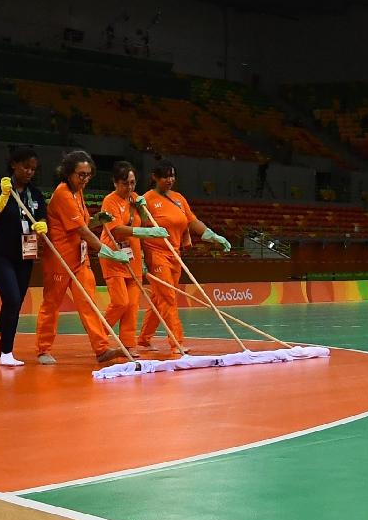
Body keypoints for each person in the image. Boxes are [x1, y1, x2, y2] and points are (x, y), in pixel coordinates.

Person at [35, 150, 127, 365]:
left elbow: (82, 226)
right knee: (52, 304)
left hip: (79, 258)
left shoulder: (78, 193)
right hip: (59, 258)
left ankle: (101, 348)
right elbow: (82, 231)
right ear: (68, 173)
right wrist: (108, 251)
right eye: (81, 174)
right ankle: (43, 349)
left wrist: (96, 220)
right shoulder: (63, 193)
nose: (85, 179)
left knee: (89, 304)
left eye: (88, 175)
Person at [137, 162, 230, 354]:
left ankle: (144, 339)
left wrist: (212, 235)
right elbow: (138, 230)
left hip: (175, 255)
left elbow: (192, 221)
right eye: (165, 176)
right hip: (156, 255)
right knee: (168, 298)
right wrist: (142, 259)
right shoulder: (146, 200)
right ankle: (176, 342)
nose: (170, 180)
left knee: (159, 298)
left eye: (172, 176)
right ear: (155, 177)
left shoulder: (179, 199)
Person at [0, 145, 48, 367]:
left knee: (15, 303)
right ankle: (5, 352)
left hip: (25, 255)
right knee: (11, 298)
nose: (29, 172)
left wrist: (42, 226)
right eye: (25, 167)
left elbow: (42, 218)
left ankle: (6, 352)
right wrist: (3, 198)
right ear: (14, 165)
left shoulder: (35, 194)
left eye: (33, 169)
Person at [97, 162, 168, 353]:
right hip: (114, 256)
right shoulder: (109, 201)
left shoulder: (135, 199)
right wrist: (148, 233)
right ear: (115, 183)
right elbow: (117, 230)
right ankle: (98, 335)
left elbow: (144, 222)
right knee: (121, 302)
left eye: (132, 183)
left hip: (133, 258)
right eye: (125, 183)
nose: (130, 187)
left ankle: (128, 344)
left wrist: (143, 209)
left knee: (133, 304)